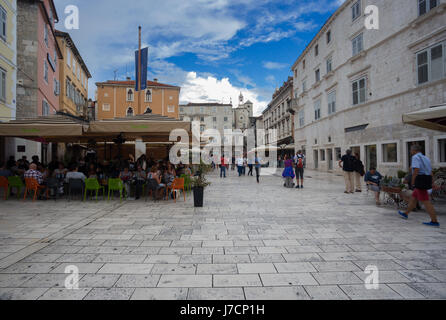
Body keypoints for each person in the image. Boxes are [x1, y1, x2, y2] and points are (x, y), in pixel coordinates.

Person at [398, 145, 440, 227]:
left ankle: (434, 221)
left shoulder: (415, 157)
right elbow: (430, 171)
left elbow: (416, 170)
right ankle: (406, 213)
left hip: (420, 180)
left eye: (411, 150)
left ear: (414, 150)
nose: (410, 152)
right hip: (426, 178)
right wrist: (432, 182)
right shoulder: (426, 158)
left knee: (426, 201)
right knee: (413, 198)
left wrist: (413, 182)